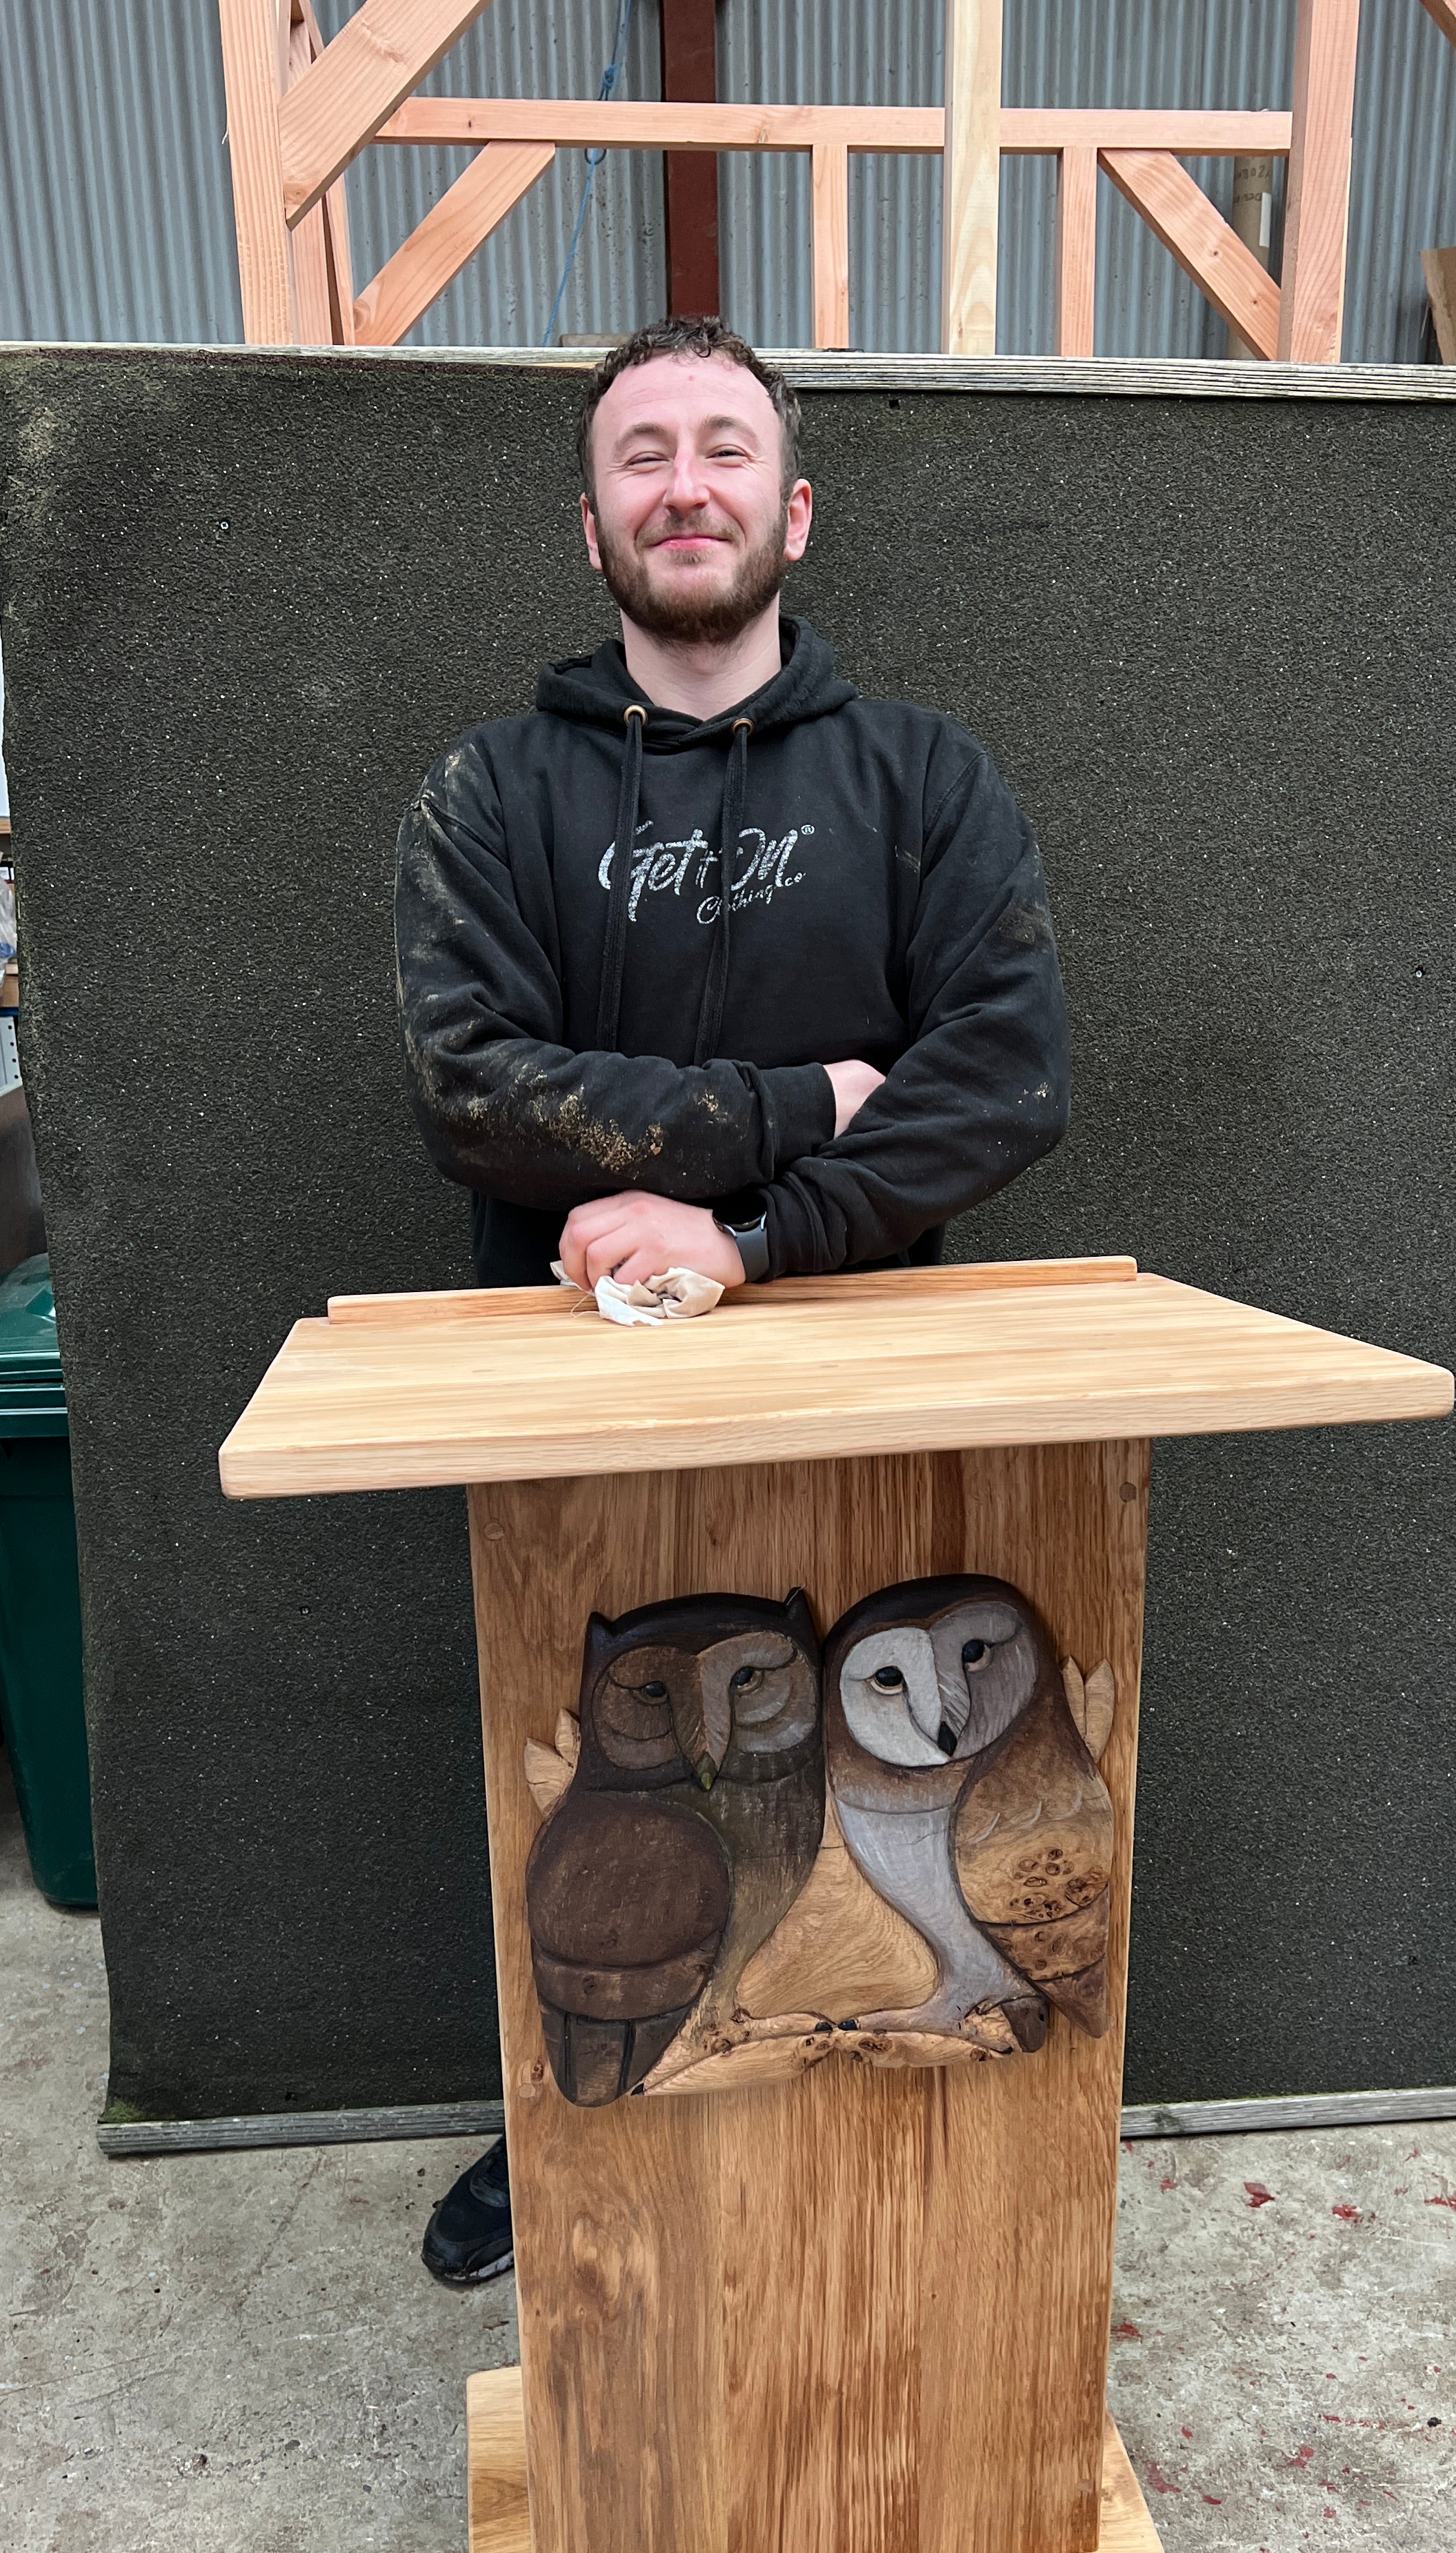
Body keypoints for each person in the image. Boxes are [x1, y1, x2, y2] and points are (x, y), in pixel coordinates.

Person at [395, 313, 1073, 2285]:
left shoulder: (927, 783)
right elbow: (467, 1086)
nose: (681, 485)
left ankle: (874, 2081)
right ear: (590, 520)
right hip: (567, 1401)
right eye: (639, 455)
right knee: (576, 1778)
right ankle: (558, 2111)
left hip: (870, 1372)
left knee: (866, 1771)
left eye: (719, 448)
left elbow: (1006, 1078)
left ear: (790, 507)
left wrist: (753, 1236)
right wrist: (794, 1108)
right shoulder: (490, 795)